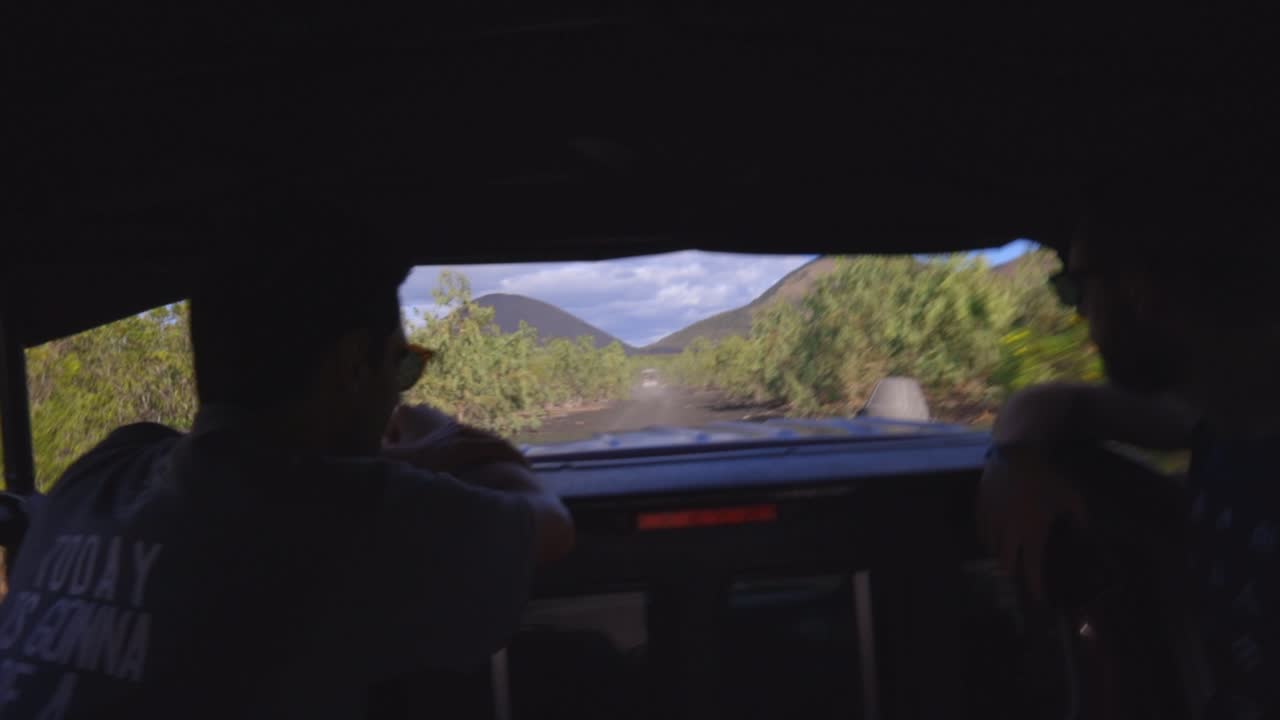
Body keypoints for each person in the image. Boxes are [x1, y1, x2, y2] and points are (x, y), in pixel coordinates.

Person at [0, 246, 574, 718]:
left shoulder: (101, 472)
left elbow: (230, 464)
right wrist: (452, 436)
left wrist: (403, 464)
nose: (400, 393)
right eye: (403, 365)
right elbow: (549, 526)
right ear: (355, 365)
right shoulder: (345, 516)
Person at [980, 218, 1279, 719]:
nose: (1079, 314)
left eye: (1074, 289)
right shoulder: (1222, 425)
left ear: (1137, 290)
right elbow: (1059, 407)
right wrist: (1012, 457)